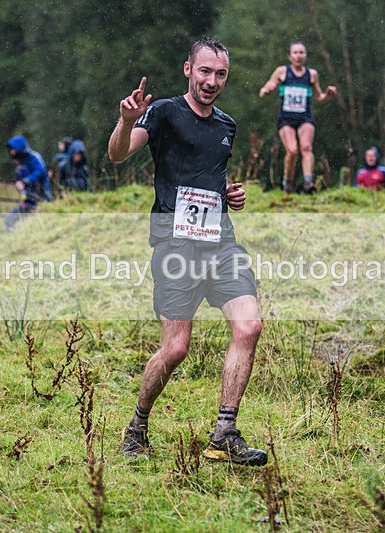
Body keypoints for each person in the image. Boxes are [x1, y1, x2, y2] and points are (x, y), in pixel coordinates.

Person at [108, 37, 267, 467]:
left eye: (220, 75)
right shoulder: (162, 112)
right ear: (187, 70)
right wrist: (124, 121)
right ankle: (138, 424)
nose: (212, 81)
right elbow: (118, 155)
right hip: (174, 244)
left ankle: (224, 434)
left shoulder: (226, 126)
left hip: (220, 241)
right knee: (176, 349)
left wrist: (227, 195)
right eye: (205, 72)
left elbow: (209, 175)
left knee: (249, 326)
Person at [259, 41, 337, 194]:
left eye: (301, 52)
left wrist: (327, 94)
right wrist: (267, 90)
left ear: (305, 55)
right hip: (286, 119)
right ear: (289, 56)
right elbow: (264, 89)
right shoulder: (282, 71)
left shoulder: (312, 74)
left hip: (305, 118)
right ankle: (287, 182)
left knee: (306, 148)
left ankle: (308, 183)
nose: (298, 56)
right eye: (295, 52)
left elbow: (318, 98)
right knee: (293, 151)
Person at [4, 135, 52, 230]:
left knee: (37, 226)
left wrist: (24, 182)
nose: (11, 152)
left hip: (42, 200)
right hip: (28, 201)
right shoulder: (20, 165)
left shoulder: (34, 157)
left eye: (13, 149)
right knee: (9, 220)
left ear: (19, 148)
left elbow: (40, 171)